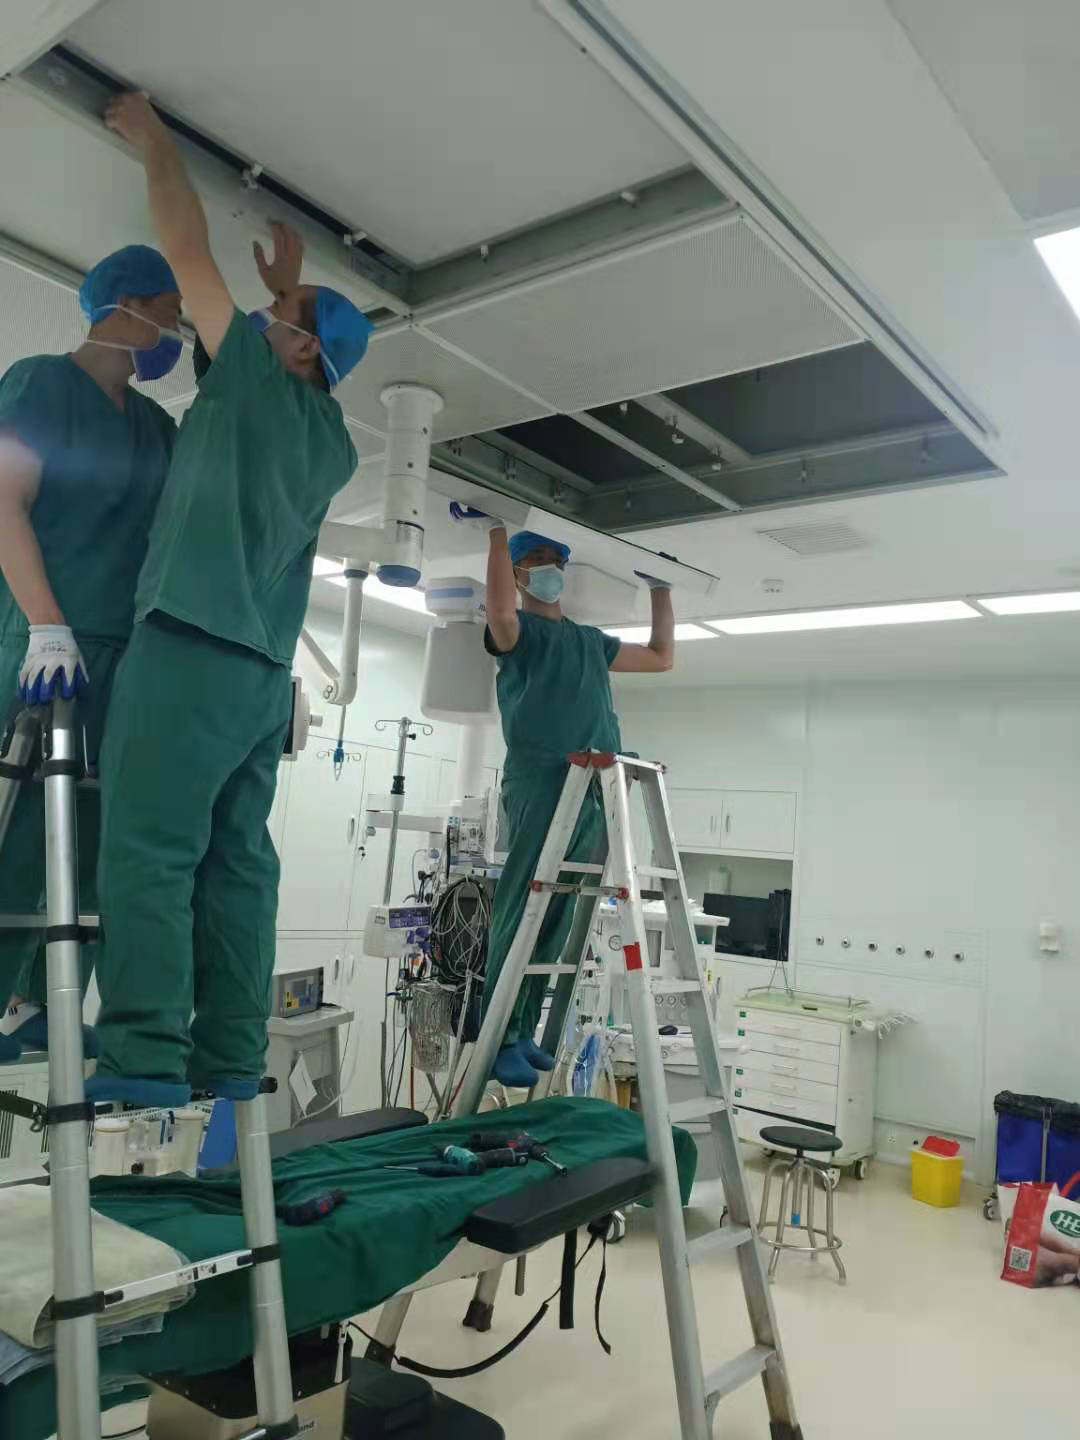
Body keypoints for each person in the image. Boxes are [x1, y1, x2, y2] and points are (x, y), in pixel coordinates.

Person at [88, 92, 372, 1106]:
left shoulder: (253, 381)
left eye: (279, 318)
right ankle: (227, 1061)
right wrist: (292, 290)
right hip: (259, 684)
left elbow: (186, 250)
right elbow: (285, 349)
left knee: (148, 854)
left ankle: (142, 1063)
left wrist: (156, 142)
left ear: (296, 351)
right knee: (237, 870)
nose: (257, 318)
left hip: (189, 650)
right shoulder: (331, 443)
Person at [0, 244, 182, 1062]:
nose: (175, 329)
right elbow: (5, 501)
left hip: (127, 655)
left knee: (99, 838)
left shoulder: (157, 428)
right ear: (125, 305)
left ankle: (42, 1003)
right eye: (170, 311)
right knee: (21, 829)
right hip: (43, 643)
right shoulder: (40, 384)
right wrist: (46, 623)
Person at [450, 504, 675, 1087]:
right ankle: (497, 1036)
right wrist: (496, 530)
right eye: (537, 559)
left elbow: (660, 657)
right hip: (542, 778)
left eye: (556, 559)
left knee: (559, 911)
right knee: (523, 906)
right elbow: (501, 610)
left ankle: (524, 1028)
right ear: (518, 573)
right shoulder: (517, 634)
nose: (550, 567)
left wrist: (662, 589)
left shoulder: (590, 641)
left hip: (595, 784)